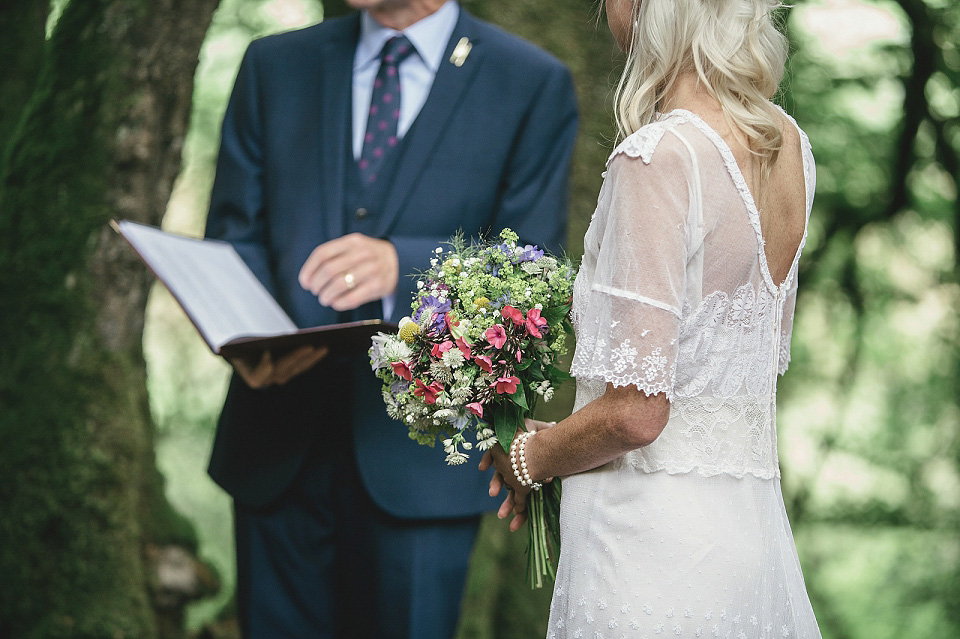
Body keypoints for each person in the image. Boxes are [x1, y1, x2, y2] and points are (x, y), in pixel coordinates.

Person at [203, 1, 578, 637]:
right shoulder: (275, 65)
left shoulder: (530, 82)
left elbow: (533, 273)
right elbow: (234, 236)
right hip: (275, 447)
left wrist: (404, 268)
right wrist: (243, 340)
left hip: (421, 470)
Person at [481, 0, 822, 637]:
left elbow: (638, 413)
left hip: (649, 549)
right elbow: (730, 375)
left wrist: (532, 454)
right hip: (748, 539)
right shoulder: (789, 147)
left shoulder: (659, 156)